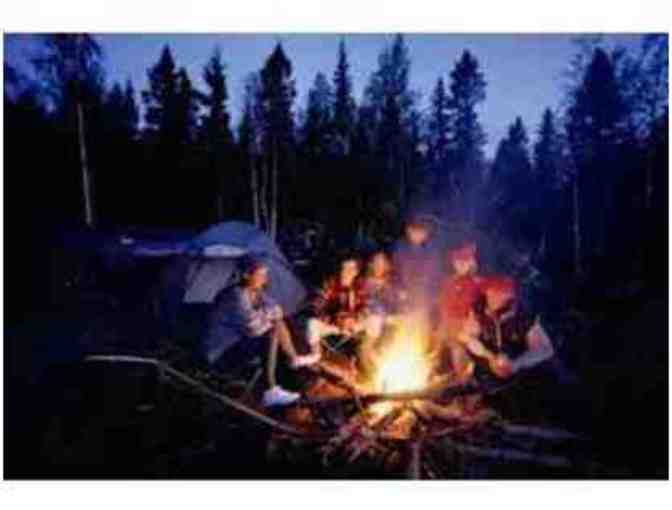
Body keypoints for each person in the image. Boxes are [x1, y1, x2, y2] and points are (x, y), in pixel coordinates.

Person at [201, 256, 318, 407]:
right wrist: (269, 316)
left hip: (241, 343)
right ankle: (270, 390)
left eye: (265, 275)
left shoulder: (257, 294)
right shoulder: (235, 296)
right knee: (272, 332)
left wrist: (266, 315)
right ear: (246, 275)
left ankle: (294, 361)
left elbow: (279, 311)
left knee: (279, 324)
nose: (264, 279)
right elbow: (253, 328)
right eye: (260, 275)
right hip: (221, 352)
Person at [306, 255, 370, 358]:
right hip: (333, 325)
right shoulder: (330, 284)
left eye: (351, 268)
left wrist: (355, 319)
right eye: (345, 268)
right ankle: (315, 354)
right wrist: (336, 320)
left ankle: (365, 353)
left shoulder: (359, 287)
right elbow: (317, 307)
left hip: (353, 325)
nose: (347, 271)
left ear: (356, 272)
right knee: (312, 323)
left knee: (374, 320)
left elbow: (365, 308)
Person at [437, 241, 484, 340]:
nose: (461, 265)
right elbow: (442, 307)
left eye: (465, 261)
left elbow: (481, 308)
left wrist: (472, 320)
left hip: (468, 327)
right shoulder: (447, 283)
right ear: (453, 263)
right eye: (458, 261)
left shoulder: (477, 283)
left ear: (471, 263)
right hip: (449, 326)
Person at [392, 215, 441, 306]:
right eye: (414, 231)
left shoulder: (432, 253)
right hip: (404, 298)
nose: (417, 235)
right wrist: (399, 289)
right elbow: (395, 272)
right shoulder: (400, 250)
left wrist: (433, 297)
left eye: (421, 232)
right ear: (408, 231)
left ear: (426, 234)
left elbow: (435, 277)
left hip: (424, 298)